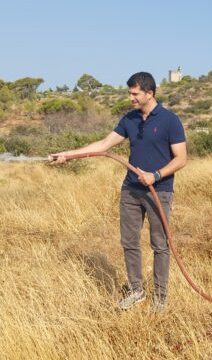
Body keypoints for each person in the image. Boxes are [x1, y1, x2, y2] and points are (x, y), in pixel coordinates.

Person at [49, 72, 187, 312]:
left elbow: (181, 158)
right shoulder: (130, 119)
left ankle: (160, 298)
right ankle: (136, 291)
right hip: (131, 190)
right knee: (129, 242)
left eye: (135, 93)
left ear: (149, 93)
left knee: (159, 245)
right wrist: (68, 155)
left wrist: (155, 175)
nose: (130, 97)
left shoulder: (169, 120)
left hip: (159, 190)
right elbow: (103, 145)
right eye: (129, 93)